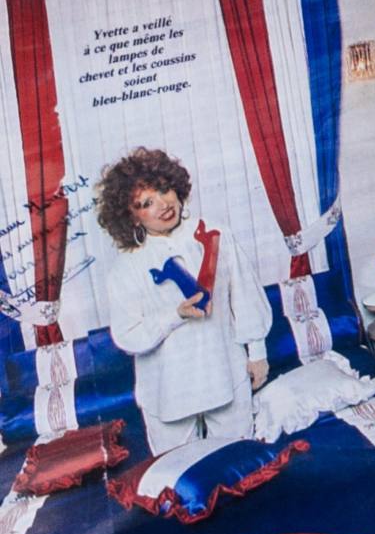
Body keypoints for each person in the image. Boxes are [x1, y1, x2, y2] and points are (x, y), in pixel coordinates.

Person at [98, 147, 273, 456]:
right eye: (146, 203)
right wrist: (175, 314)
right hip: (168, 395)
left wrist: (257, 353)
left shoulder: (217, 234)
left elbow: (245, 296)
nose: (164, 204)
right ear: (131, 216)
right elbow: (128, 337)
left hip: (226, 377)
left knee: (240, 468)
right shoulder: (125, 268)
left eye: (165, 190)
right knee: (181, 482)